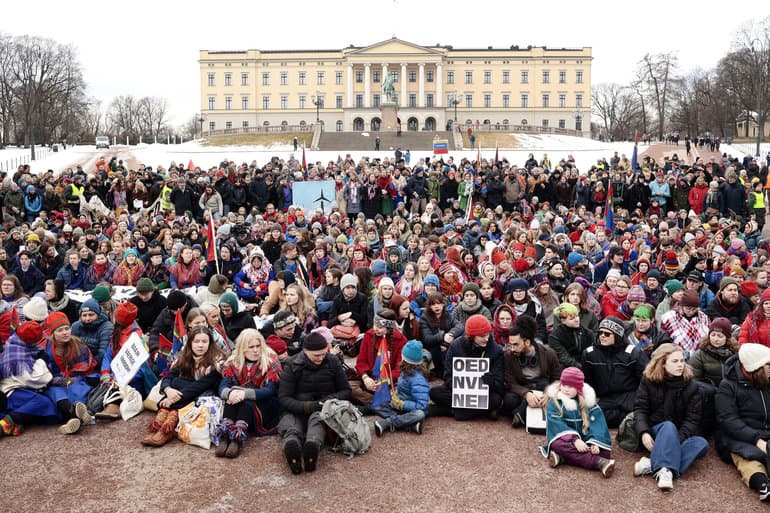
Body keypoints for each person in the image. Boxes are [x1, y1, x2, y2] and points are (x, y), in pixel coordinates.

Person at [633, 343, 709, 491]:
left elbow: (692, 420)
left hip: (678, 434)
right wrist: (644, 432)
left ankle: (653, 464)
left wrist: (675, 442)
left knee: (701, 444)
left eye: (682, 360)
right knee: (668, 425)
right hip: (655, 432)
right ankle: (666, 473)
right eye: (675, 361)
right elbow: (640, 409)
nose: (680, 365)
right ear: (662, 363)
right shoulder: (648, 380)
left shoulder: (692, 386)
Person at [277, 331, 352, 474]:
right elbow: (284, 398)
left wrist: (329, 400)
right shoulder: (292, 365)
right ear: (305, 351)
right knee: (291, 426)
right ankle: (292, 448)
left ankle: (312, 447)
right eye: (316, 355)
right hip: (297, 407)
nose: (321, 358)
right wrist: (307, 406)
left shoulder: (332, 361)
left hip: (323, 408)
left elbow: (346, 390)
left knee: (318, 422)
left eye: (323, 354)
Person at [142, 326, 224, 447]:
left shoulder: (217, 361)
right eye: (196, 341)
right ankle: (160, 425)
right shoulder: (185, 357)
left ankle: (166, 428)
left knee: (181, 383)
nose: (200, 345)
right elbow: (168, 377)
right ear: (190, 343)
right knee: (175, 382)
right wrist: (168, 390)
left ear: (210, 343)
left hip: (206, 393)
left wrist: (171, 399)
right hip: (186, 394)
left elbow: (200, 386)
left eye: (204, 341)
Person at [215, 329, 283, 458]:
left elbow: (269, 391)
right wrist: (230, 394)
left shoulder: (270, 361)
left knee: (246, 401)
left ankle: (237, 438)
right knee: (230, 400)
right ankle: (225, 435)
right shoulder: (233, 362)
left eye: (258, 346)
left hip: (265, 404)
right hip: (238, 402)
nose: (255, 350)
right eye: (251, 347)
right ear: (242, 348)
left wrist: (243, 394)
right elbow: (223, 386)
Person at [715, 343, 770, 502]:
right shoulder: (728, 386)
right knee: (750, 457)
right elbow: (728, 420)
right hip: (737, 436)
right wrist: (756, 439)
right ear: (756, 367)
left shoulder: (767, 379)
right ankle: (763, 485)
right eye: (768, 364)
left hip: (765, 432)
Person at [541, 367, 615, 477]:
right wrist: (574, 440)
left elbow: (597, 423)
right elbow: (557, 424)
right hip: (567, 440)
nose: (566, 389)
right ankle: (599, 463)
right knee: (557, 445)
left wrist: (595, 442)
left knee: (605, 453)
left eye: (570, 386)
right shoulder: (555, 402)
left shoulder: (588, 401)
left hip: (586, 439)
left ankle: (563, 458)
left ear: (579, 388)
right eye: (564, 385)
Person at [429, 314, 505, 420]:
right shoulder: (456, 346)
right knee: (434, 392)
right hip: (460, 392)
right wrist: (460, 388)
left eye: (488, 334)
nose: (487, 339)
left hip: (484, 393)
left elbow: (499, 382)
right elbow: (448, 375)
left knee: (496, 399)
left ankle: (448, 411)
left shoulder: (496, 350)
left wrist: (490, 381)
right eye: (482, 336)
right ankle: (481, 412)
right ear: (472, 336)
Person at [583, 316, 648, 428]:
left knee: (639, 414)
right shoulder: (590, 354)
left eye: (607, 334)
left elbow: (645, 380)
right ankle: (624, 419)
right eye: (600, 332)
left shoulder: (633, 353)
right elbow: (587, 381)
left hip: (629, 395)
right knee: (593, 417)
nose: (602, 336)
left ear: (617, 335)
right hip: (605, 397)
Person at [0, 322, 60, 435]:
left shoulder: (12, 343)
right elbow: (39, 380)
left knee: (47, 410)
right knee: (44, 403)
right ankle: (8, 422)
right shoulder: (19, 356)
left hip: (14, 390)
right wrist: (42, 360)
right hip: (12, 393)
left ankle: (17, 423)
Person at [43, 312, 97, 435]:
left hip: (75, 379)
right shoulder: (45, 349)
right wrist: (55, 379)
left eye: (67, 328)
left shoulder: (78, 345)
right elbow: (44, 372)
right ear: (52, 334)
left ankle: (73, 418)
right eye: (60, 330)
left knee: (77, 390)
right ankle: (75, 416)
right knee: (57, 393)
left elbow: (87, 366)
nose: (65, 332)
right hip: (54, 382)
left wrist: (74, 377)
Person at [503, 315, 561, 427]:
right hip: (523, 389)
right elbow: (510, 383)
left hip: (543, 388)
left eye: (516, 344)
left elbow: (557, 379)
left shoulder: (549, 353)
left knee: (548, 389)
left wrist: (549, 393)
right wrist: (526, 394)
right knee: (509, 400)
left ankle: (520, 413)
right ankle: (526, 409)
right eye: (510, 344)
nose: (512, 348)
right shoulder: (509, 356)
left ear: (527, 342)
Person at [373, 340, 430, 436]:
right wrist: (394, 394)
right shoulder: (405, 369)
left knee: (419, 414)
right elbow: (403, 390)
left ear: (405, 358)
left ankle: (389, 423)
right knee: (377, 405)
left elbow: (422, 405)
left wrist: (402, 404)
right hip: (400, 405)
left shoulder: (418, 379)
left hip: (411, 409)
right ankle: (408, 425)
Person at [353, 309, 407, 409]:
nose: (376, 329)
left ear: (389, 328)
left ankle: (374, 405)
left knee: (402, 391)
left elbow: (399, 368)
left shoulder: (401, 340)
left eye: (380, 327)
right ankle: (381, 404)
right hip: (370, 379)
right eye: (375, 325)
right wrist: (365, 378)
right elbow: (361, 361)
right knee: (350, 387)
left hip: (390, 382)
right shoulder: (369, 335)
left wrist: (384, 382)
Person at [689, 317, 737, 388]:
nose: (715, 339)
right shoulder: (699, 355)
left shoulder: (734, 353)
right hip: (708, 392)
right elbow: (694, 380)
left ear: (727, 338)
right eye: (713, 335)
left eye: (720, 336)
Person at [548, 303, 595, 370]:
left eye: (577, 316)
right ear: (563, 321)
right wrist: (582, 368)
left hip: (586, 365)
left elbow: (593, 352)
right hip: (567, 369)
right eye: (572, 318)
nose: (576, 320)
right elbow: (564, 358)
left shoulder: (588, 333)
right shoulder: (555, 336)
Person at [70, 298, 113, 365]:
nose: (87, 319)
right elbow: (71, 349)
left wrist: (88, 365)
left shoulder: (107, 327)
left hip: (98, 365)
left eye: (91, 315)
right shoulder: (76, 326)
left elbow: (103, 354)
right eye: (84, 315)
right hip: (79, 363)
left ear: (98, 314)